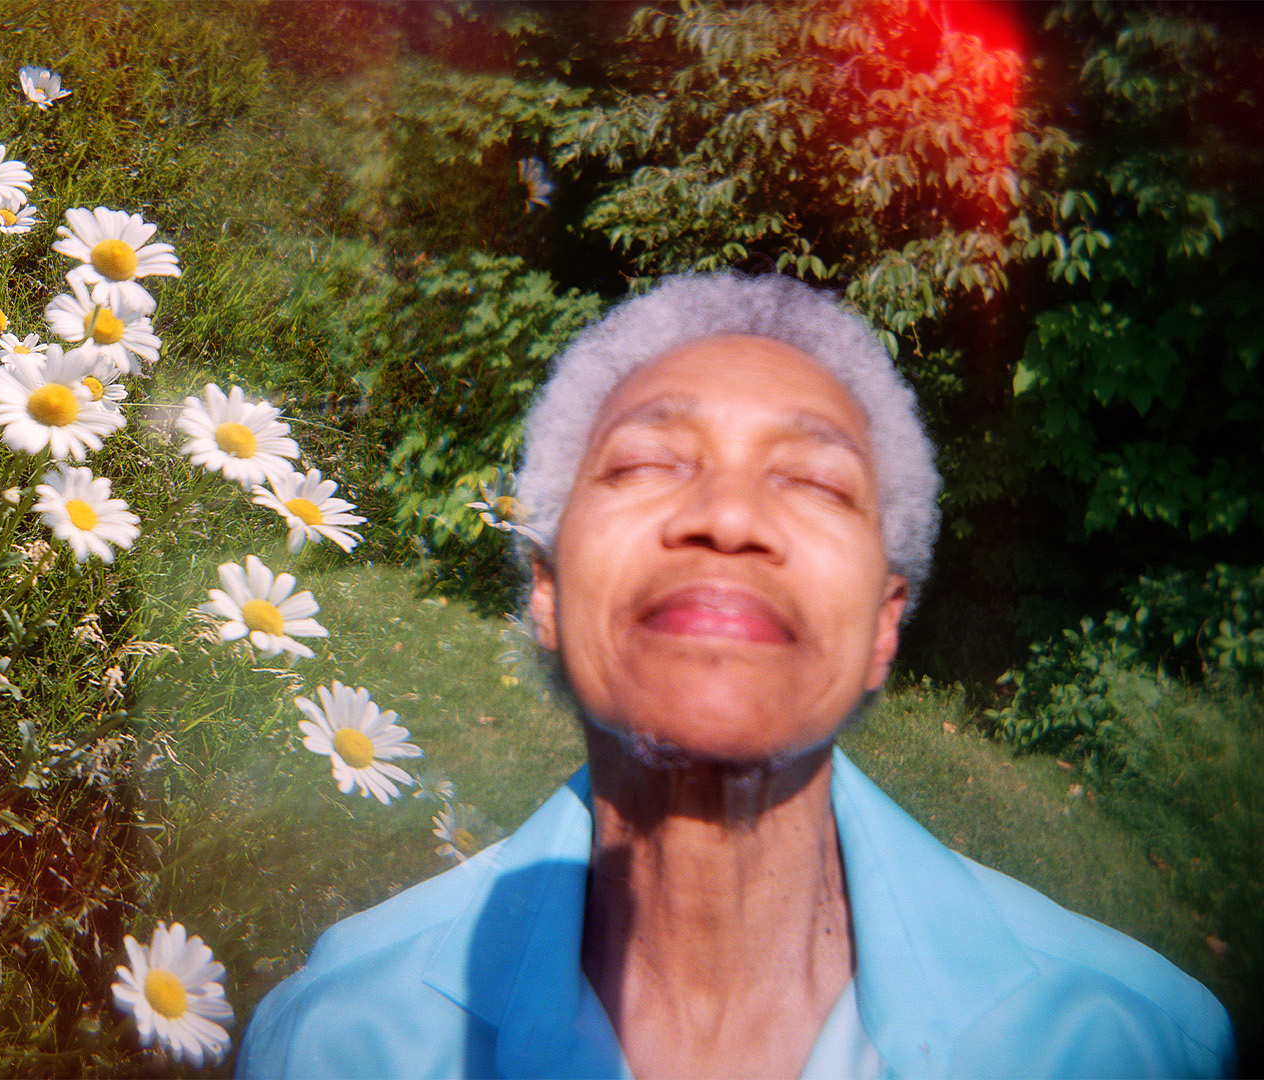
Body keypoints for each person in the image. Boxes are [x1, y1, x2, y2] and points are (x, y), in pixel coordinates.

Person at [236, 273, 1234, 1079]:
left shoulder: (1138, 1046)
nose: (728, 515)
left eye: (813, 480)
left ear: (887, 623)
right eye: (646, 463)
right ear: (544, 588)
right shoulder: (334, 1042)